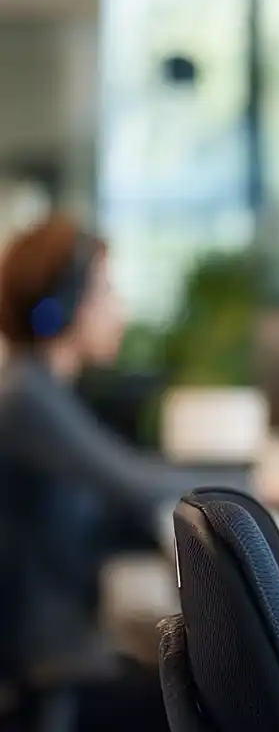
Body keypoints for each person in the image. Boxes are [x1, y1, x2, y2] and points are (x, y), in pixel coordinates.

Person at [0, 217, 191, 731]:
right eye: (105, 290)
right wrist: (263, 478)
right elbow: (132, 481)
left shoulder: (43, 389)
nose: (119, 310)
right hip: (50, 684)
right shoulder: (25, 396)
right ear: (61, 305)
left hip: (63, 663)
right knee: (222, 700)